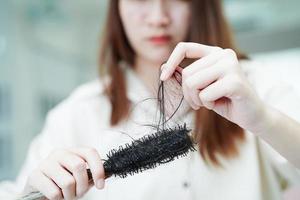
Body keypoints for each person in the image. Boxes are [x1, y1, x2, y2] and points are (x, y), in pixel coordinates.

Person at [1, 0, 300, 199]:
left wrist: (264, 120)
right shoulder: (76, 114)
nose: (158, 17)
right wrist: (32, 193)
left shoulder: (254, 85)